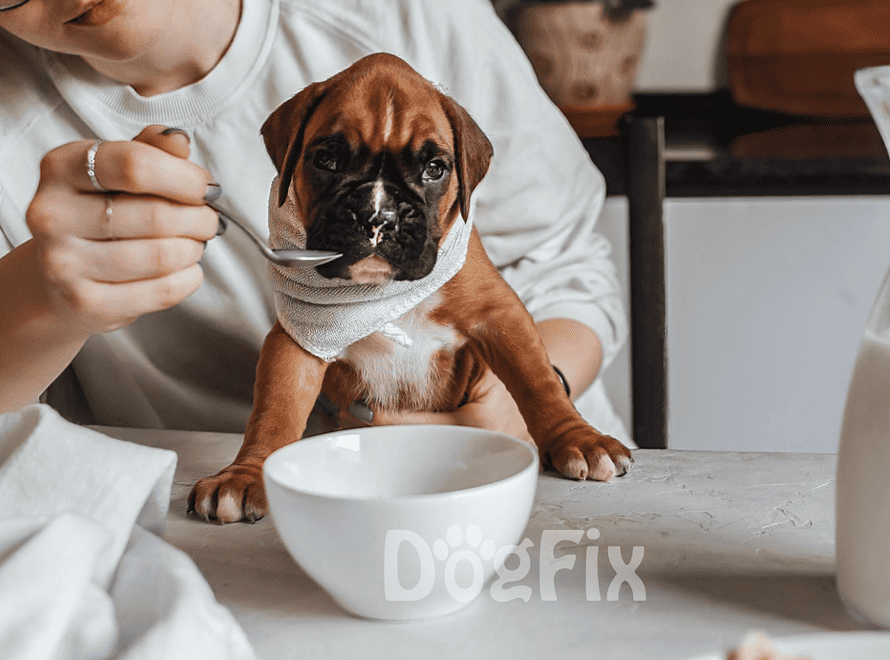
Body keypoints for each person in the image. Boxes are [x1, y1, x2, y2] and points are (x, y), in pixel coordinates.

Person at [0, 0, 635, 447]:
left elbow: (571, 262)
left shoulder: (411, 12)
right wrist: (37, 298)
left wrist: (530, 412)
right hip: (229, 519)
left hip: (529, 473)